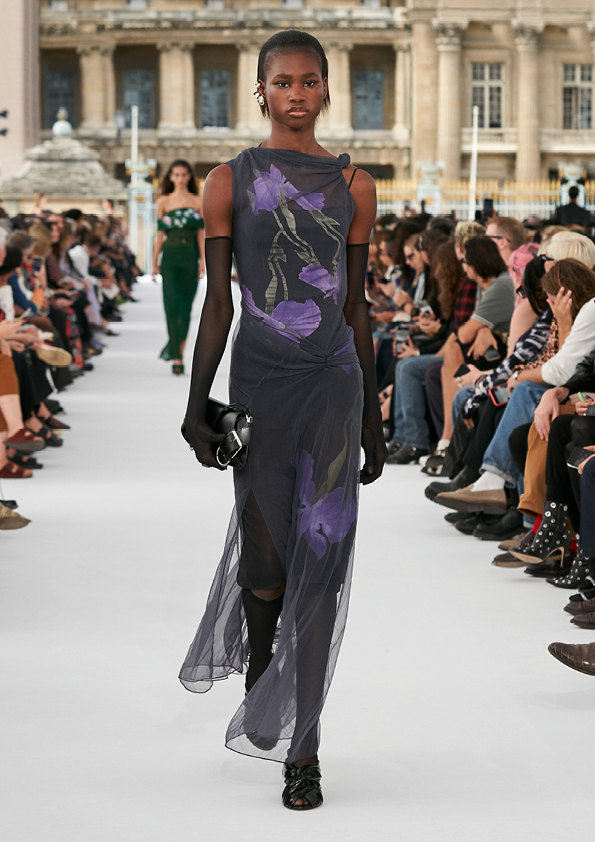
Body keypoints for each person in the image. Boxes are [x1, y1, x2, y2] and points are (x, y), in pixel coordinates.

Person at [177, 29, 385, 810]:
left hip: (332, 384)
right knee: (265, 562)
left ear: (325, 89)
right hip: (260, 386)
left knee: (320, 561)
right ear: (260, 91)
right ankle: (261, 667)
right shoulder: (227, 181)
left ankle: (305, 751)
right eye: (282, 81)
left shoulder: (355, 185)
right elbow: (218, 304)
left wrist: (370, 419)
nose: (296, 93)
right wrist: (195, 405)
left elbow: (356, 306)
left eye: (309, 81)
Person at [152, 159, 205, 375]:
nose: (180, 179)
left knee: (185, 308)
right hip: (170, 256)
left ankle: (177, 349)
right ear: (171, 177)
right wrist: (154, 263)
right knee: (171, 306)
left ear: (189, 176)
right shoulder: (163, 202)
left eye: (184, 175)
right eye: (176, 175)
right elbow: (159, 235)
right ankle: (177, 356)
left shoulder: (198, 201)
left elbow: (201, 234)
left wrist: (203, 262)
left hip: (190, 255)